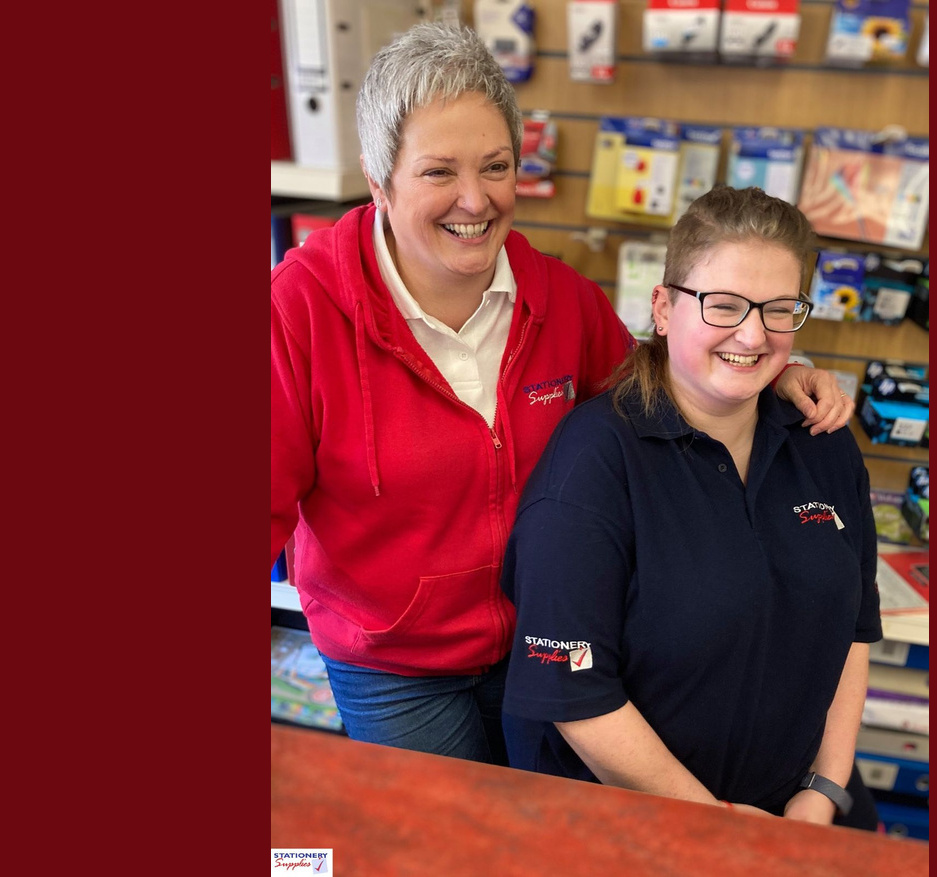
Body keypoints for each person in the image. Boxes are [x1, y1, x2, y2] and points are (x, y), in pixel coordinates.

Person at [270, 23, 854, 767]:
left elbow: (666, 385)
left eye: (496, 166)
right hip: (397, 667)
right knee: (448, 849)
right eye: (438, 172)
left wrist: (779, 371)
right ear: (378, 179)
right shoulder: (296, 314)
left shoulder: (561, 299)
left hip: (547, 644)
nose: (474, 200)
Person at [500, 184, 882, 829]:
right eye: (724, 305)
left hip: (801, 813)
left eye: (779, 309)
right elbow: (574, 690)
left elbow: (852, 629)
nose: (753, 334)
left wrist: (822, 792)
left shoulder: (821, 440)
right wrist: (721, 829)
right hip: (631, 822)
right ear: (663, 307)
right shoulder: (595, 462)